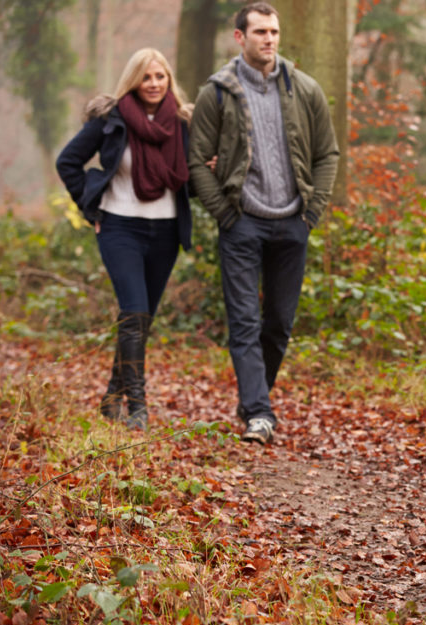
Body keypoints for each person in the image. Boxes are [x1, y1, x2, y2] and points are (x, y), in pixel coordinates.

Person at [188, 2, 339, 445]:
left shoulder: (305, 89)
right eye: (259, 32)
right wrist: (225, 213)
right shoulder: (216, 92)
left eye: (274, 31)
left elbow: (327, 154)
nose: (269, 39)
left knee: (279, 322)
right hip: (242, 223)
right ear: (240, 37)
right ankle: (258, 411)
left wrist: (312, 211)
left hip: (293, 221)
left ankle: (255, 399)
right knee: (244, 322)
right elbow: (197, 159)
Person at [56, 48, 194, 431]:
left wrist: (207, 168)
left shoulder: (182, 123)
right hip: (120, 228)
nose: (153, 84)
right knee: (133, 312)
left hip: (166, 231)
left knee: (142, 319)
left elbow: (187, 181)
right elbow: (68, 162)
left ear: (169, 80)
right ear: (134, 80)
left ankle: (111, 397)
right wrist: (91, 207)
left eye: (160, 76)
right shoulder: (111, 119)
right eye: (146, 77)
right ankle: (138, 406)